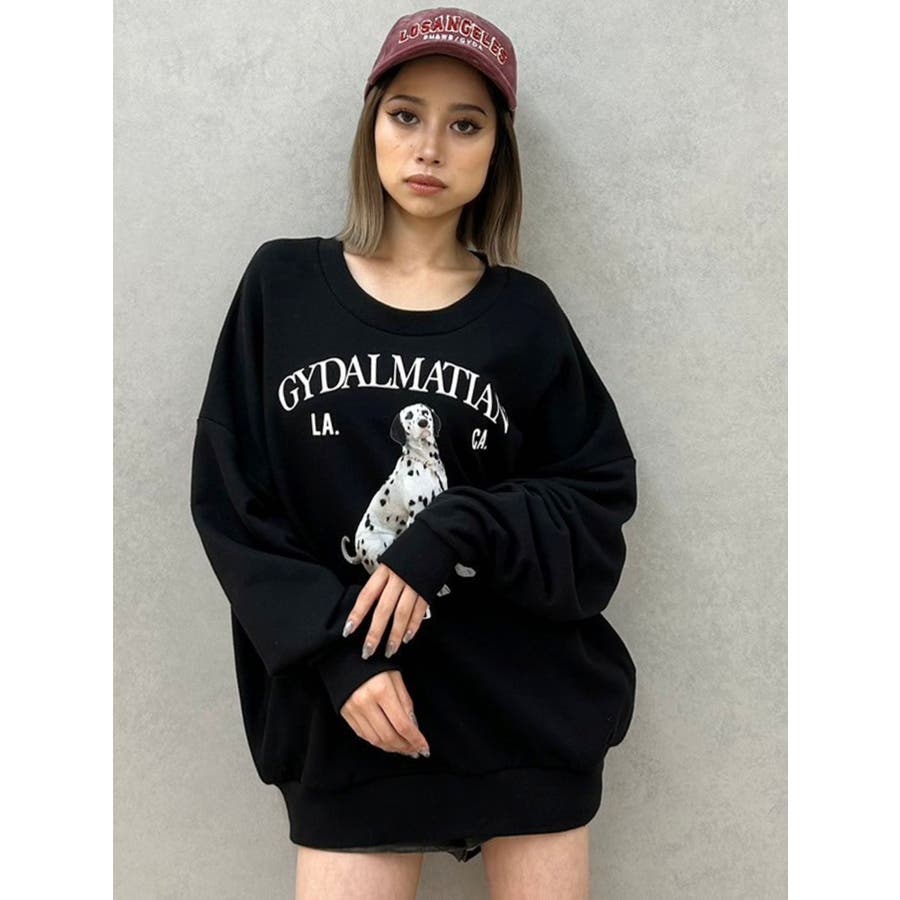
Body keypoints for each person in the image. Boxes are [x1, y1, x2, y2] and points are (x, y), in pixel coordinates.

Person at [189, 7, 639, 899]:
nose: (431, 147)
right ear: (373, 127)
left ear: (496, 153)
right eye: (407, 115)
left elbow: (595, 502)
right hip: (352, 717)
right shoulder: (282, 287)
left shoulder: (524, 316)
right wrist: (336, 655)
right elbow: (232, 503)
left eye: (465, 124)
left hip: (522, 709)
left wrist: (457, 528)